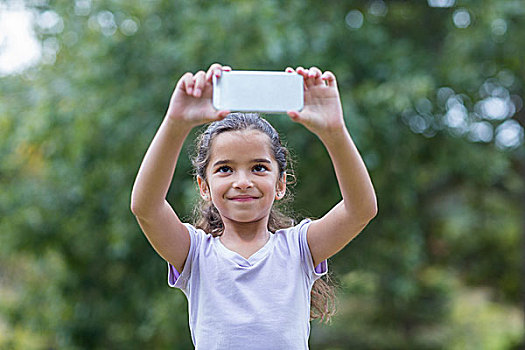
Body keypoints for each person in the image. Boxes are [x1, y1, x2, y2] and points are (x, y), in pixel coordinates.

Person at [130, 63, 377, 349]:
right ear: (204, 187)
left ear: (281, 184)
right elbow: (146, 207)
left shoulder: (298, 248)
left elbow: (361, 209)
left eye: (259, 167)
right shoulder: (195, 254)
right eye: (225, 169)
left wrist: (334, 131)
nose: (243, 181)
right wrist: (176, 123)